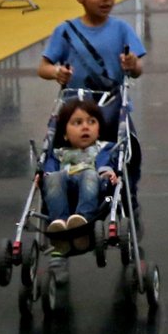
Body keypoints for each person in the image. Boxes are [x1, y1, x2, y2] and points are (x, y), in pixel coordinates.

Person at [39, 0, 149, 95]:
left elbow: (138, 70)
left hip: (113, 108)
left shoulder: (122, 29)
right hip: (75, 109)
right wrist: (57, 72)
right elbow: (43, 68)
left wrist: (133, 63)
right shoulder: (65, 30)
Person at [40, 97, 119, 252]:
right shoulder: (59, 153)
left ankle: (83, 221)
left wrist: (108, 173)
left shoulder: (103, 148)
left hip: (96, 186)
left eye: (91, 122)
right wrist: (43, 175)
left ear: (99, 130)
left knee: (89, 174)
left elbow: (107, 163)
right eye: (77, 123)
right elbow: (49, 167)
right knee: (53, 177)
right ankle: (60, 225)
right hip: (64, 185)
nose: (85, 127)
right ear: (65, 134)